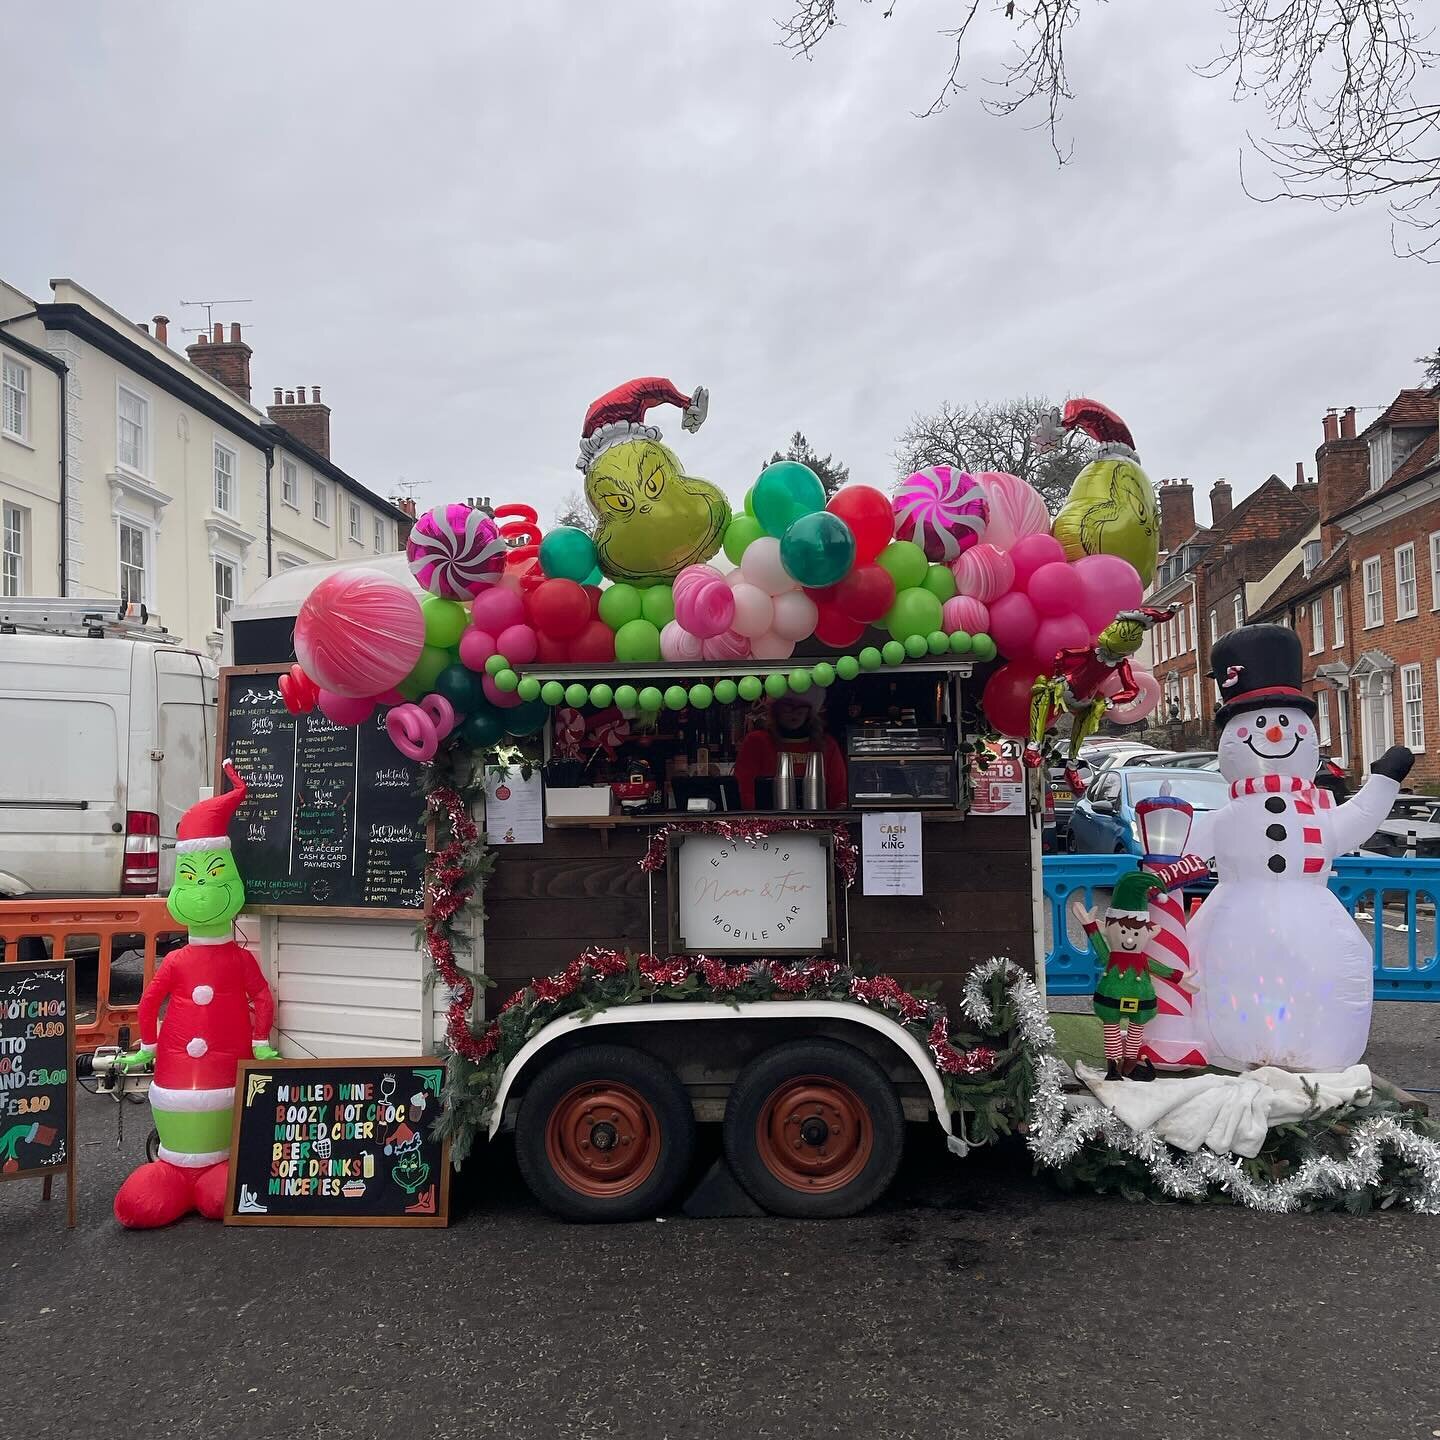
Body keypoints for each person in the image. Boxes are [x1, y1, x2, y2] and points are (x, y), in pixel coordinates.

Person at [735, 689, 848, 811]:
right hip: (766, 824)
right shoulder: (756, 742)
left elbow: (840, 793)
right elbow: (744, 790)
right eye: (788, 706)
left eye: (801, 707)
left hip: (820, 824)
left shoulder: (827, 745)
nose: (795, 712)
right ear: (776, 709)